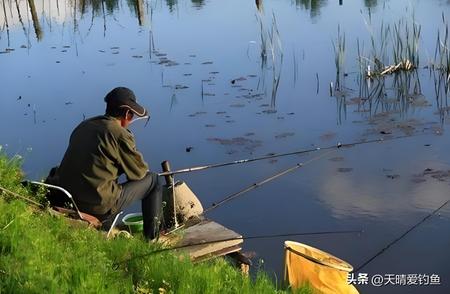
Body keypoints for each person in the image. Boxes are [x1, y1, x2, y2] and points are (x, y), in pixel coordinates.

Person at [46, 87, 162, 239]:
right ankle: (152, 239)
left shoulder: (84, 125)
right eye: (132, 115)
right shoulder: (119, 134)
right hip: (96, 205)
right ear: (127, 113)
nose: (132, 119)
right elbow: (139, 173)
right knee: (153, 181)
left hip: (66, 198)